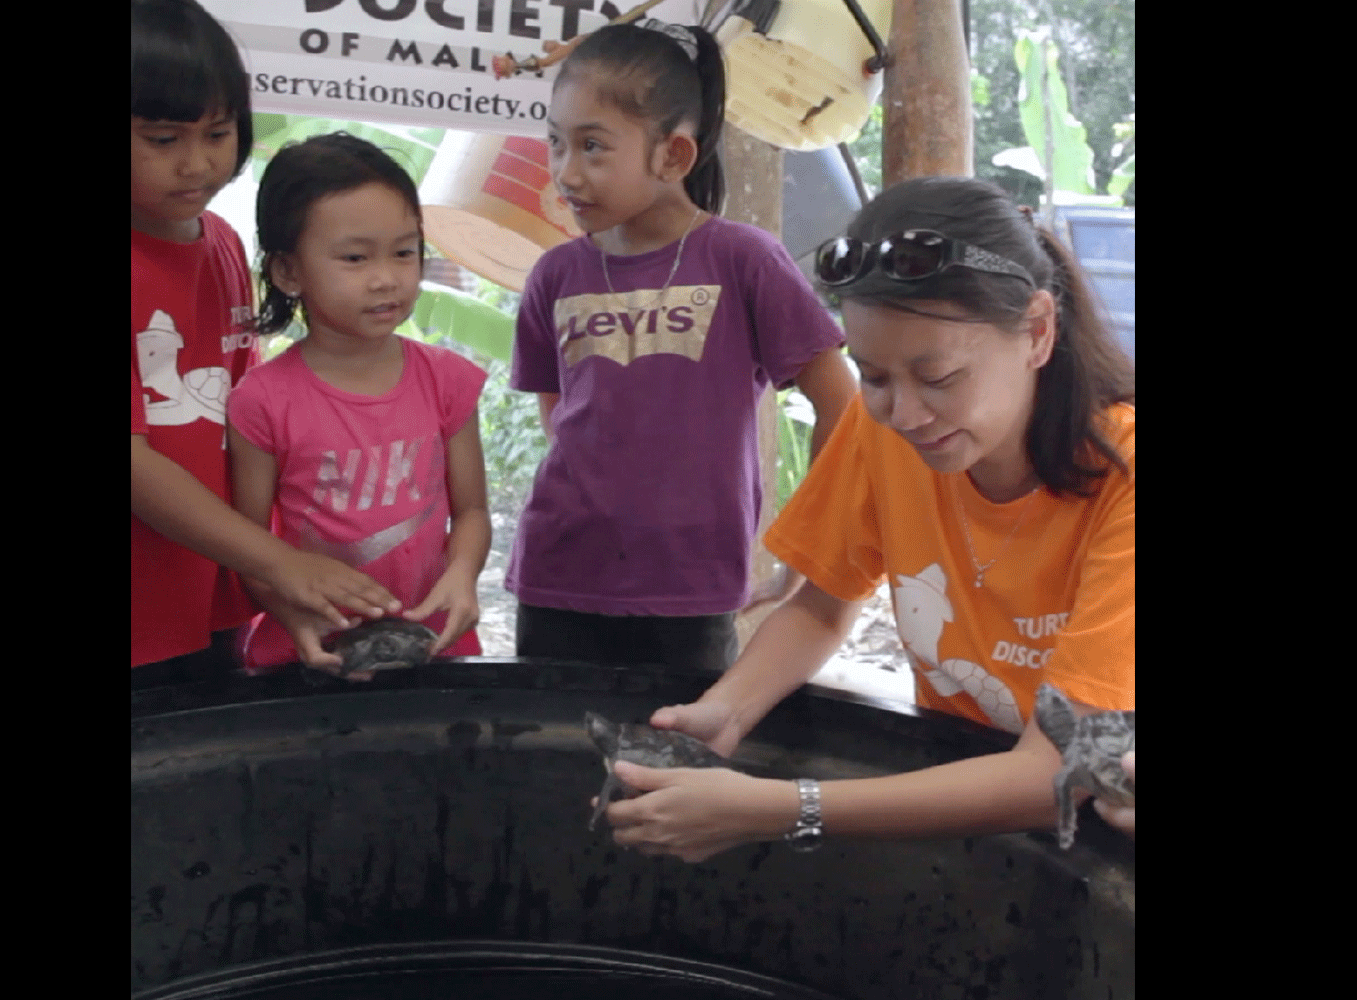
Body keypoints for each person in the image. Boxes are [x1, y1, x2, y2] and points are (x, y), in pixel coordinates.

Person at [600, 176, 1135, 859]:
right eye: (874, 377)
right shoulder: (884, 432)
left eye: (938, 378)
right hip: (959, 802)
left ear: (1036, 331)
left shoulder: (1123, 482)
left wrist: (786, 807)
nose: (904, 415)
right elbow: (823, 605)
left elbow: (1051, 772)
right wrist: (727, 710)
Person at [506, 19, 859, 672]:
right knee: (553, 761)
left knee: (678, 765)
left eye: (592, 147)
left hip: (690, 588)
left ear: (672, 156)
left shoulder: (742, 259)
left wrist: (810, 546)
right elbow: (557, 409)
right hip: (558, 574)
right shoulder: (554, 275)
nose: (566, 172)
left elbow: (841, 404)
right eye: (556, 143)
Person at [131, 0, 396, 687]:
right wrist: (280, 563)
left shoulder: (220, 241)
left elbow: (244, 422)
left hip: (209, 601)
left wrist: (266, 573)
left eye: (218, 132)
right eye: (162, 140)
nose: (197, 163)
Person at [228, 133, 491, 678]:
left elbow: (472, 511)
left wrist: (463, 574)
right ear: (288, 272)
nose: (387, 278)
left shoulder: (447, 380)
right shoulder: (261, 399)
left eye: (403, 252)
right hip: (312, 653)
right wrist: (287, 612)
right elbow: (249, 545)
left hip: (432, 643)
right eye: (355, 257)